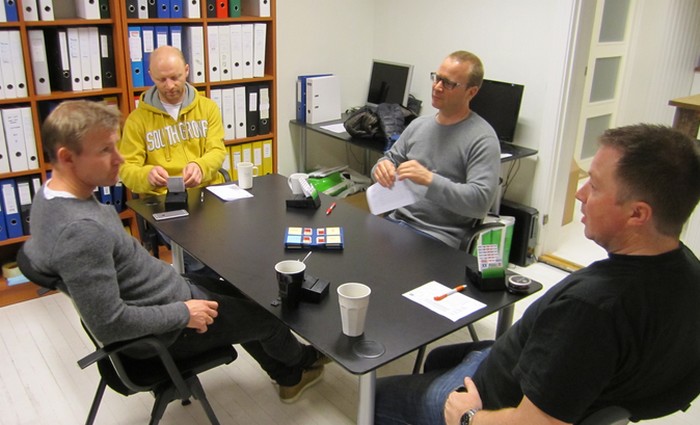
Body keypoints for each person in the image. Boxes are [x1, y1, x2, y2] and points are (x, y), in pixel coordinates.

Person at [374, 124, 700, 425]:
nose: (580, 194)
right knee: (440, 357)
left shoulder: (591, 309)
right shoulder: (688, 272)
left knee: (374, 398)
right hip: (523, 373)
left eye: (595, 186)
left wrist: (468, 416)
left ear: (637, 214)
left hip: (491, 406)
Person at [23, 100, 328, 403]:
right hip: (169, 329)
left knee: (248, 297)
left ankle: (288, 370)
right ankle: (300, 366)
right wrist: (183, 314)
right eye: (105, 150)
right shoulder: (80, 232)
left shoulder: (50, 196)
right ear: (67, 158)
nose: (119, 159)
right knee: (268, 317)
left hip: (167, 294)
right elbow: (109, 324)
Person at [371, 51, 501, 250]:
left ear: (471, 92)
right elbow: (389, 159)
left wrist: (429, 180)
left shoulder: (482, 139)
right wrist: (381, 167)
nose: (437, 87)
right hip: (397, 223)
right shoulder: (419, 125)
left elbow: (480, 202)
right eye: (437, 78)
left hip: (438, 236)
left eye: (448, 83)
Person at [118, 45, 226, 195]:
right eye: (161, 79)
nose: (169, 86)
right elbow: (126, 168)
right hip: (162, 197)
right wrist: (146, 176)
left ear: (186, 70)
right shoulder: (136, 120)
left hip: (206, 190)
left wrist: (200, 167)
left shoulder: (208, 108)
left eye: (175, 78)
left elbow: (217, 151)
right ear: (151, 76)